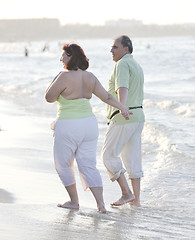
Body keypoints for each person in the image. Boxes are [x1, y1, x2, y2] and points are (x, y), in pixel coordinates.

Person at [45, 43, 131, 213]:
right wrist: (122, 107)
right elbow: (106, 96)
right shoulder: (90, 77)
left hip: (69, 124)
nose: (60, 58)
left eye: (63, 55)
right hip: (89, 125)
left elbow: (49, 97)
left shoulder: (63, 76)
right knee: (88, 165)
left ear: (70, 56)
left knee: (63, 164)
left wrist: (56, 79)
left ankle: (74, 201)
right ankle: (101, 205)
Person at [101, 35, 145, 207]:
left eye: (115, 47)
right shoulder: (137, 65)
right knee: (133, 160)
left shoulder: (122, 64)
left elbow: (122, 88)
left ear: (126, 49)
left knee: (108, 156)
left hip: (124, 116)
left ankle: (127, 194)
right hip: (138, 117)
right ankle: (136, 203)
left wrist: (122, 108)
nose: (111, 50)